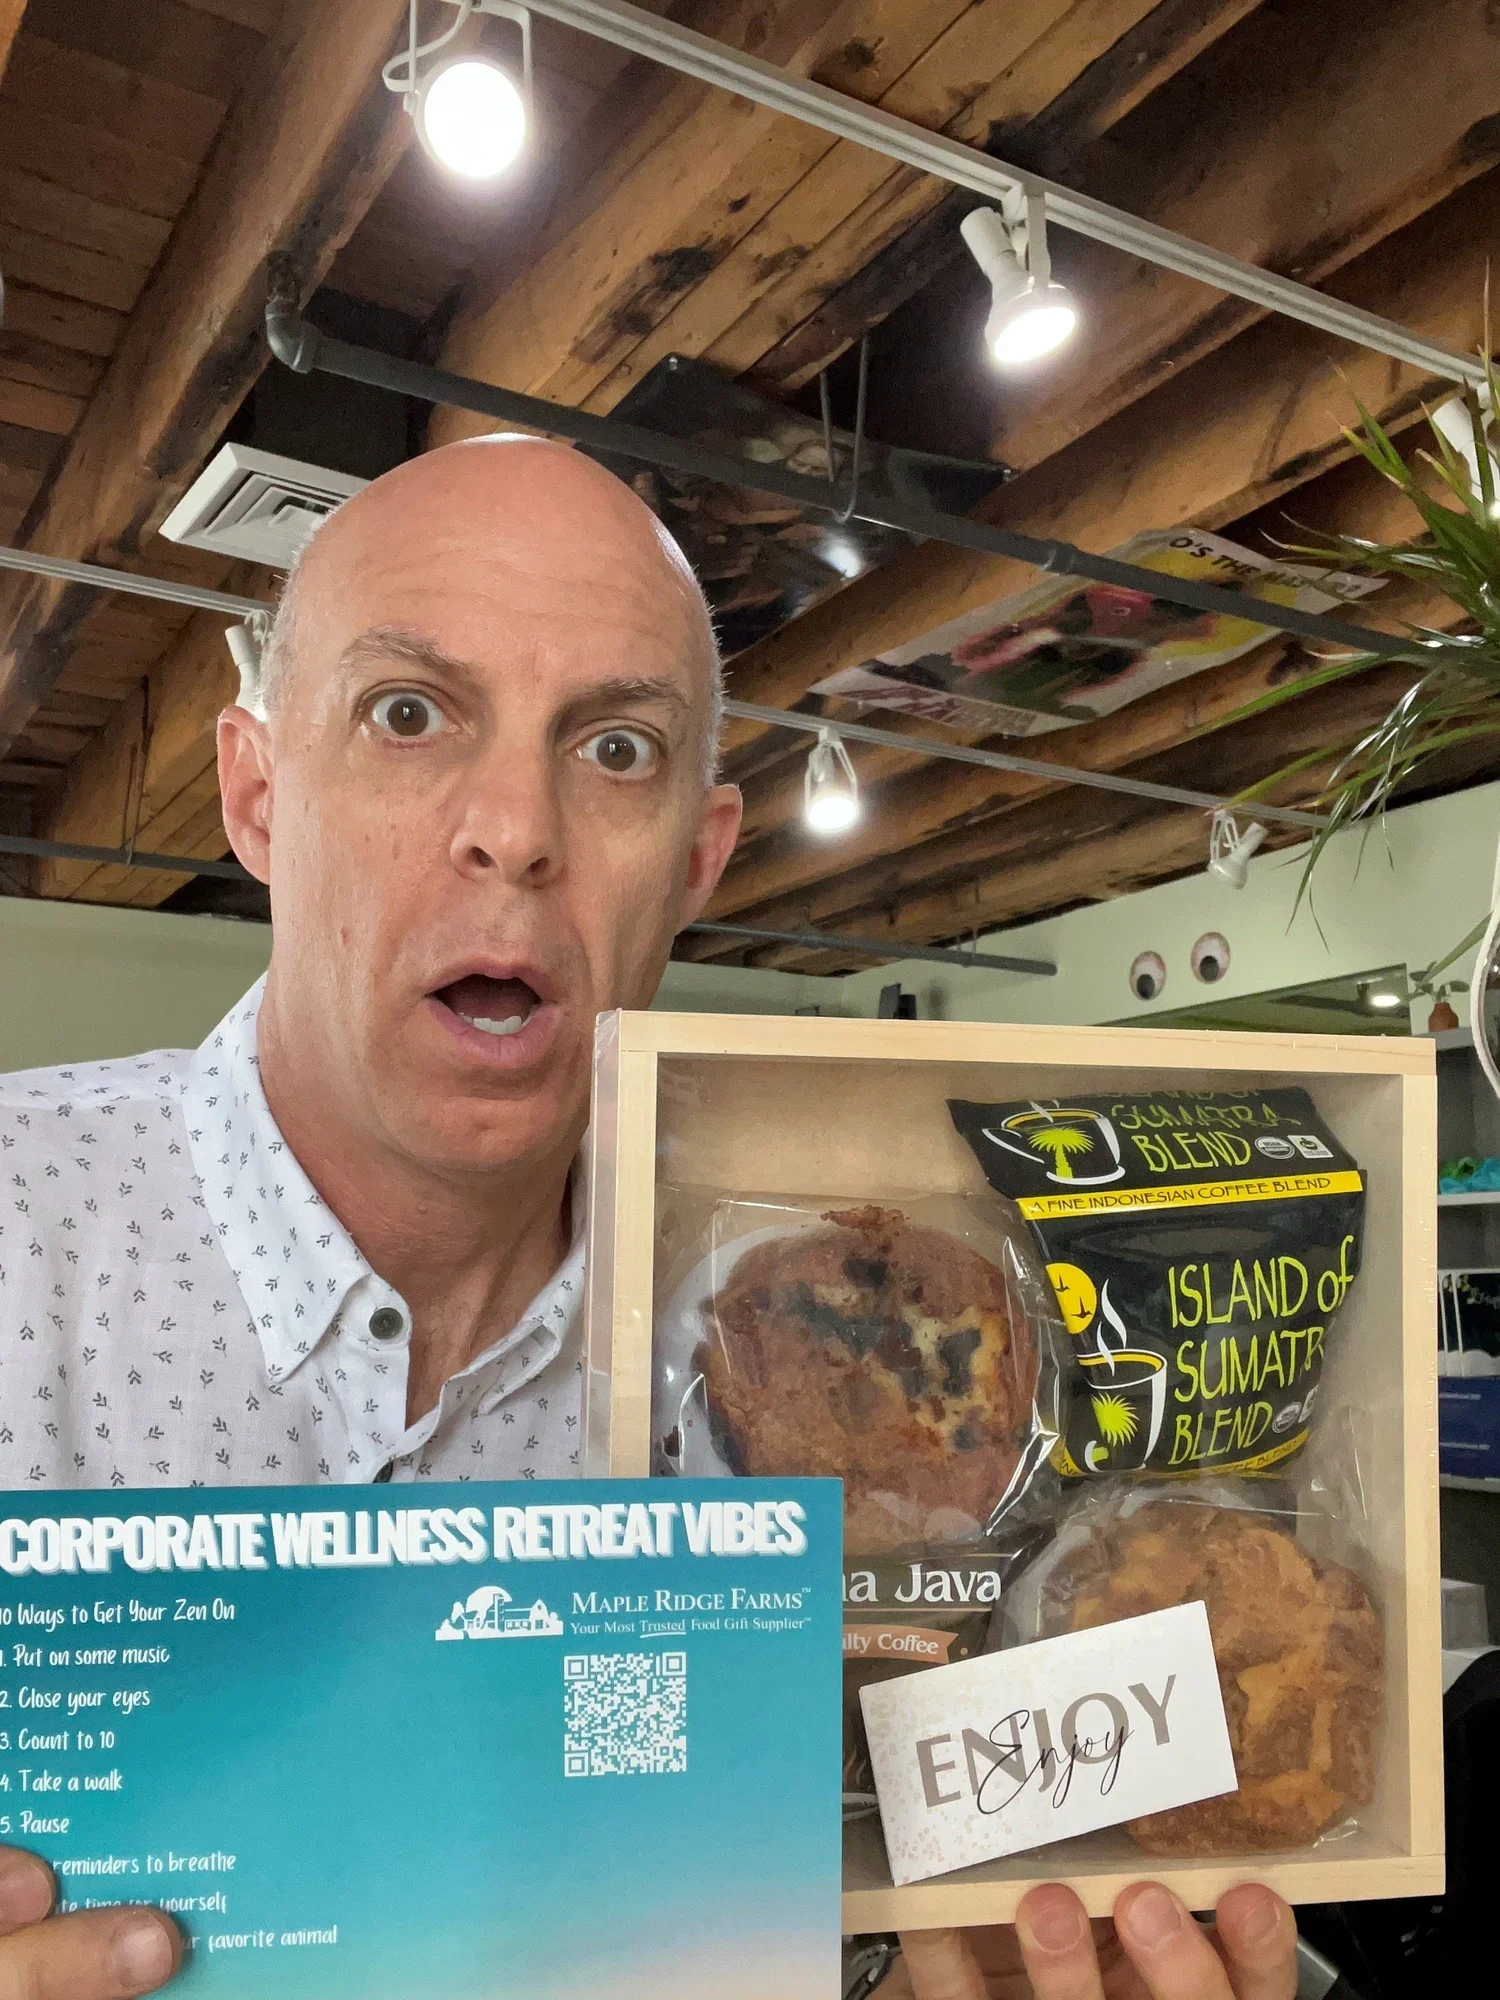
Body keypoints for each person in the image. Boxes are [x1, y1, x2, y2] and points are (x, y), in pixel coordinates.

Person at [0, 436, 1299, 2000]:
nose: (515, 827)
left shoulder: (790, 1369)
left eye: (613, 749)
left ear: (696, 860)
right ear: (259, 797)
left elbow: (778, 1914)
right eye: (409, 715)